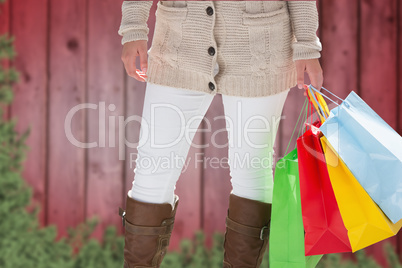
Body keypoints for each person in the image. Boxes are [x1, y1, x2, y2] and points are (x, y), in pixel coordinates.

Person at [118, 1, 323, 267]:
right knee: (153, 166)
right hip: (180, 43)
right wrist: (134, 27)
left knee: (250, 167)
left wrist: (307, 42)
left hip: (260, 48)